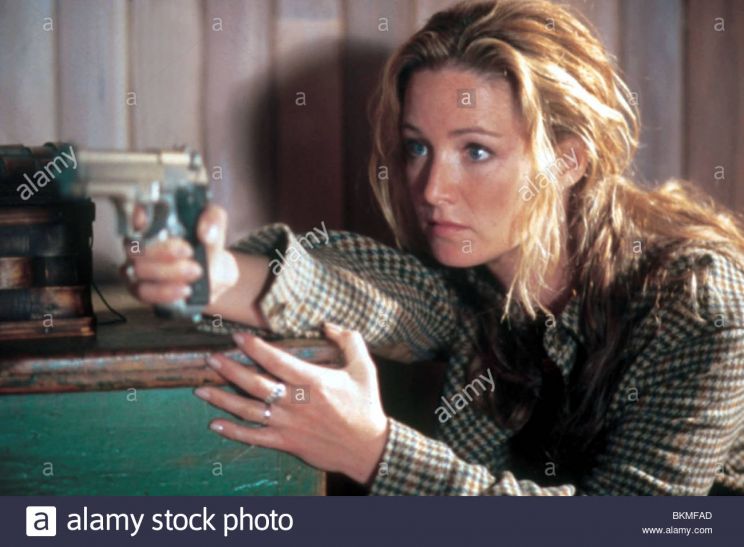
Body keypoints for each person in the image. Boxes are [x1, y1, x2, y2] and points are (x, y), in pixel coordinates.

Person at [123, 0, 744, 495]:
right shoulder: (473, 277)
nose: (431, 188)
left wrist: (373, 451)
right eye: (418, 146)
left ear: (567, 161)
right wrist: (212, 273)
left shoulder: (699, 304)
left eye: (476, 151)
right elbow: (362, 293)